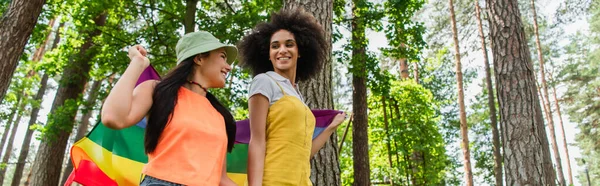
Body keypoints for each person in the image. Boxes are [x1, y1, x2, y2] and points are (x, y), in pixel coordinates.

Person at [101, 31, 238, 186]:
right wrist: (137, 63)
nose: (228, 67)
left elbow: (221, 179)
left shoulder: (220, 116)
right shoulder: (157, 90)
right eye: (222, 57)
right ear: (199, 58)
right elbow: (113, 117)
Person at [237, 8, 347, 186]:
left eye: (289, 44)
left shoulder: (297, 96)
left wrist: (330, 128)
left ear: (300, 51)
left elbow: (304, 152)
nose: (282, 50)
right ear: (269, 54)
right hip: (272, 180)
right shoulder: (264, 81)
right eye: (275, 46)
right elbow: (257, 141)